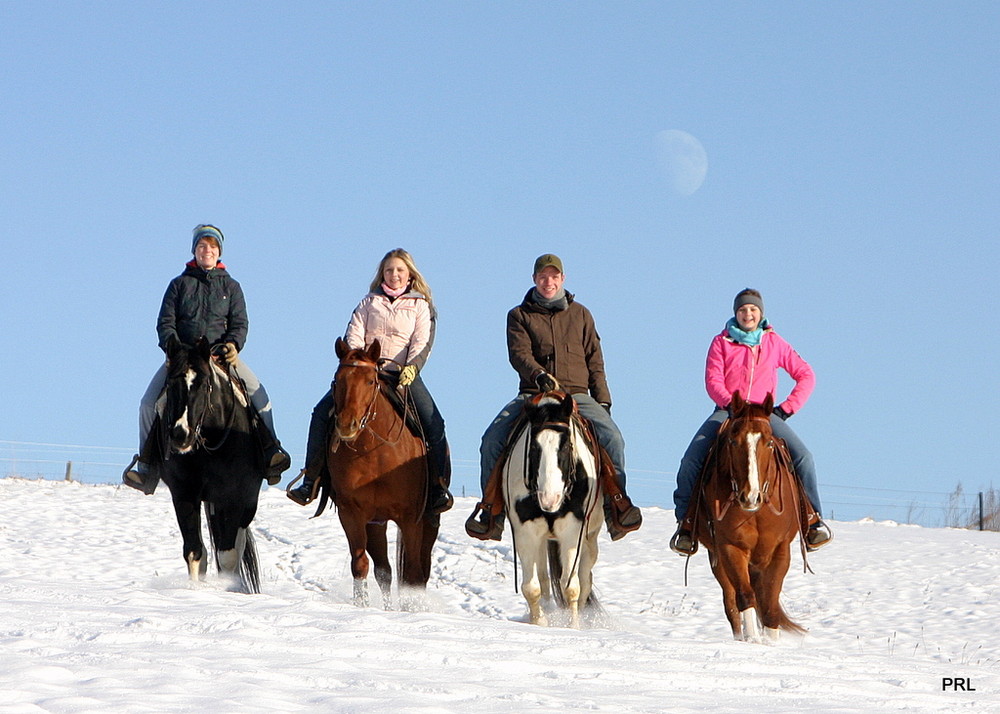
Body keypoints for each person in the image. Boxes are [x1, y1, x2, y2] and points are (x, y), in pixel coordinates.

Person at [465, 253, 642, 541]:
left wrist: (603, 400)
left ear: (563, 279)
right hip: (533, 396)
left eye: (554, 276)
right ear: (535, 279)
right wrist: (538, 376)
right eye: (543, 276)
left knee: (613, 439)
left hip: (576, 395)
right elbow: (519, 354)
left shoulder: (581, 314)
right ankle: (491, 511)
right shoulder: (519, 315)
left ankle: (615, 506)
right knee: (492, 441)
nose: (549, 281)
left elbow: (594, 359)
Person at [123, 224, 291, 492]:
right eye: (202, 246)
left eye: (212, 247)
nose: (207, 251)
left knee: (260, 397)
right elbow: (165, 322)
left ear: (219, 252)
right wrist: (173, 349)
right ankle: (147, 466)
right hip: (184, 359)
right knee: (147, 404)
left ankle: (270, 454)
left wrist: (233, 345)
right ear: (195, 250)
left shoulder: (232, 286)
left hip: (221, 357)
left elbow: (240, 323)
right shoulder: (178, 284)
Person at [286, 248, 453, 515]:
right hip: (365, 371)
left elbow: (422, 341)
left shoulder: (421, 305)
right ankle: (311, 480)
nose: (394, 275)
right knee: (321, 413)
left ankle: (437, 487)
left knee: (434, 422)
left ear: (409, 274)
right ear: (382, 274)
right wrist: (358, 360)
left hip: (402, 375)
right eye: (389, 270)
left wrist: (412, 368)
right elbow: (353, 334)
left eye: (399, 270)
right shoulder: (368, 303)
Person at [669, 288, 832, 555]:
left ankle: (812, 521)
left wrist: (786, 409)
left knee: (804, 457)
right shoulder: (721, 342)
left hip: (764, 416)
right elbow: (713, 379)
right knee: (692, 458)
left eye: (753, 309)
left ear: (761, 313)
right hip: (728, 412)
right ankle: (686, 523)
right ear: (736, 313)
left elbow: (806, 375)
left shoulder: (774, 342)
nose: (748, 314)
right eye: (743, 310)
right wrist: (729, 404)